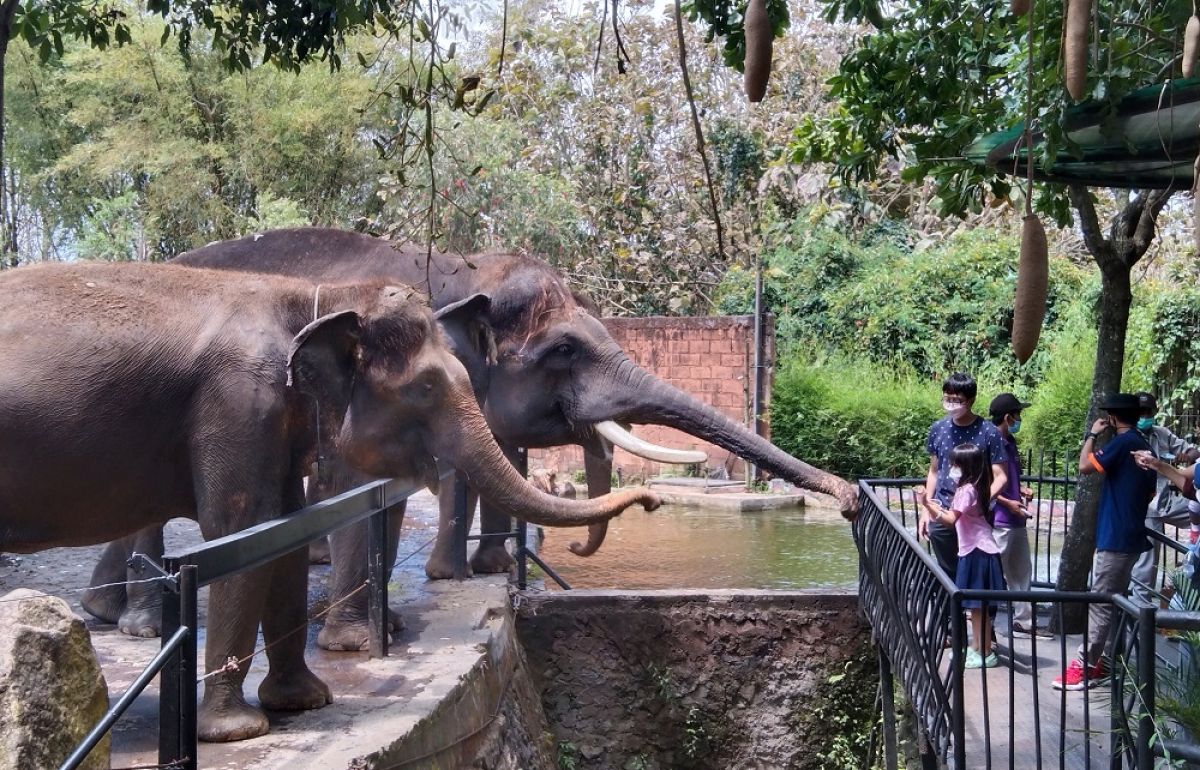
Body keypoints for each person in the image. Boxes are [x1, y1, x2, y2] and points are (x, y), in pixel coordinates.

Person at [1052, 393, 1157, 691]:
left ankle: (1085, 667)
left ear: (1112, 418)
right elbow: (1149, 493)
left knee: (1100, 601)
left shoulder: (1123, 443)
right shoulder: (1143, 444)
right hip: (1130, 532)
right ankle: (1107, 663)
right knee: (1112, 600)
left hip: (1117, 536)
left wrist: (1091, 434)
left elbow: (1085, 465)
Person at [922, 443, 1005, 668]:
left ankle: (985, 651)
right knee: (978, 608)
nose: (951, 468)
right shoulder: (977, 485)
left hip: (978, 551)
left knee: (979, 607)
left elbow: (950, 520)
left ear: (965, 466)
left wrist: (927, 506)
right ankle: (977, 648)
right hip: (977, 549)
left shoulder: (966, 490)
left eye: (955, 464)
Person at [919, 372, 1008, 578]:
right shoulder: (938, 429)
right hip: (942, 509)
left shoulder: (988, 432)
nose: (951, 404)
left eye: (956, 400)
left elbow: (1001, 476)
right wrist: (926, 510)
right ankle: (952, 611)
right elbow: (934, 470)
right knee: (947, 573)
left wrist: (980, 501)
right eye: (947, 398)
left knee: (975, 572)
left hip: (975, 517)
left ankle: (978, 610)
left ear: (971, 400)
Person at [988, 393, 1052, 638]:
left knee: (1022, 572)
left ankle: (1023, 623)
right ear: (1007, 417)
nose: (1019, 419)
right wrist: (1007, 501)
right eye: (1018, 415)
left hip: (1016, 519)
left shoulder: (1010, 442)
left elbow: (1007, 478)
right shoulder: (990, 442)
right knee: (994, 574)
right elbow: (985, 483)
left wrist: (1021, 489)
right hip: (1000, 519)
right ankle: (987, 626)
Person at [1130, 392, 1198, 604]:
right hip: (1145, 507)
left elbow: (1193, 454)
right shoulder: (1128, 437)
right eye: (1140, 412)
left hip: (1167, 502)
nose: (1144, 416)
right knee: (1147, 563)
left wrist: (1187, 456)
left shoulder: (1162, 434)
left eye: (1147, 412)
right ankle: (1139, 612)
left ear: (1154, 412)